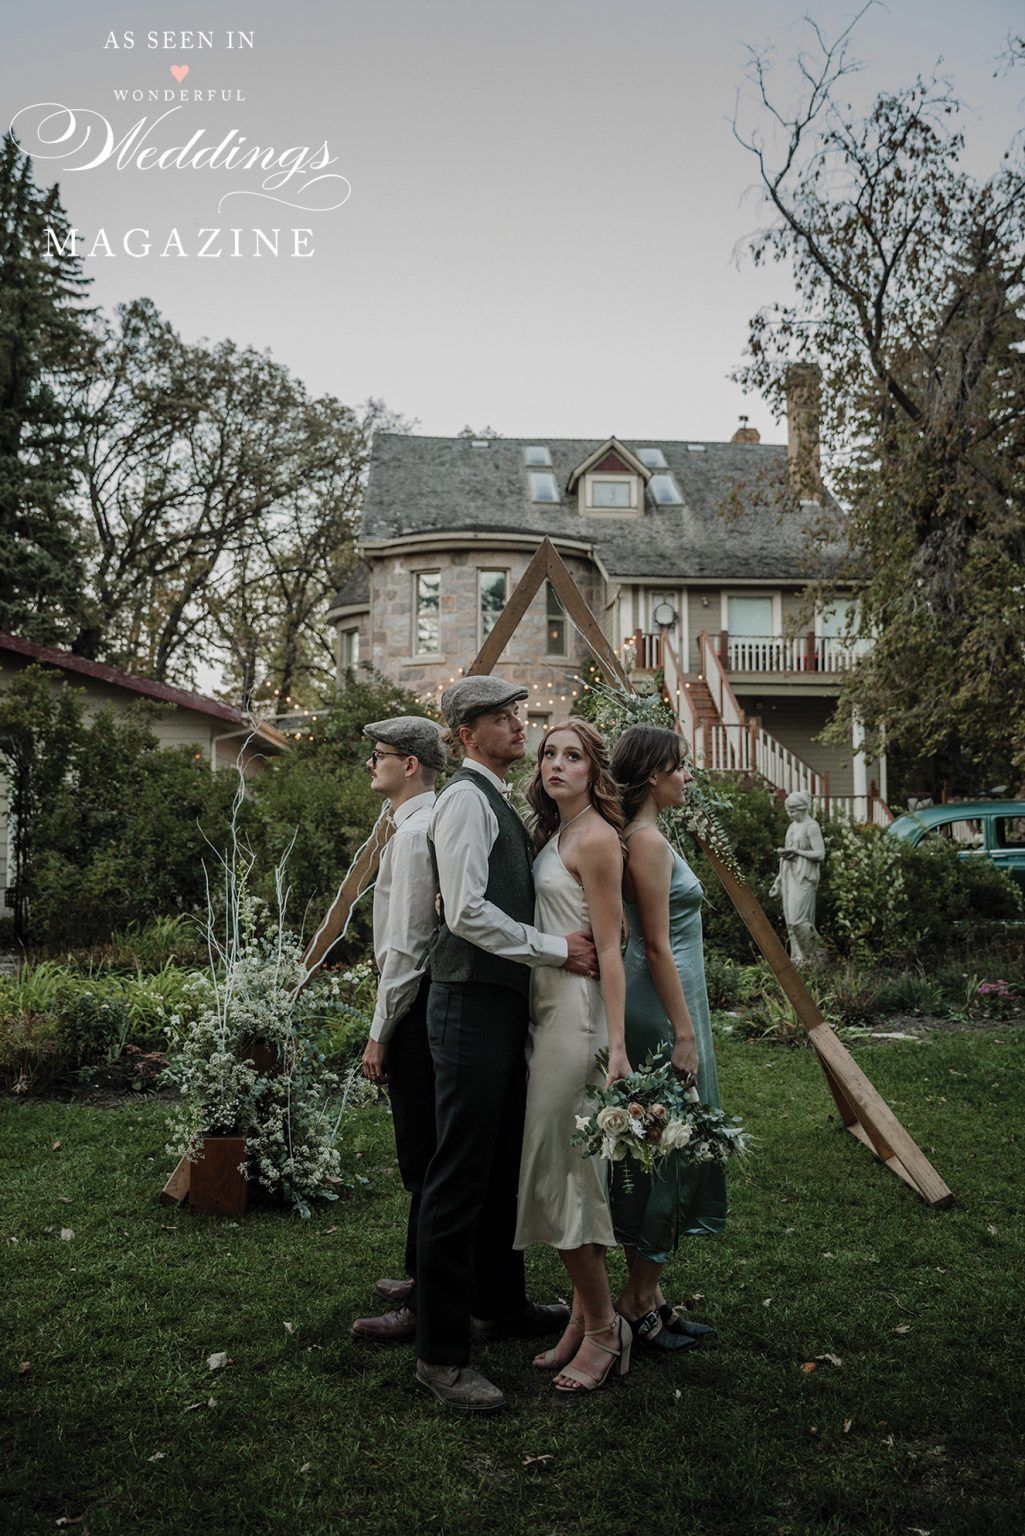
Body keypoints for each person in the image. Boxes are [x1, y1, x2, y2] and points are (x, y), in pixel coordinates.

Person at [414, 676, 596, 1413]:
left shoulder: (497, 797)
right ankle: (439, 1355)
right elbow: (464, 912)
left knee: (493, 1168)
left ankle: (499, 1304)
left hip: (498, 1005)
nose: (519, 725)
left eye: (520, 713)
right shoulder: (462, 799)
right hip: (466, 1007)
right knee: (458, 1178)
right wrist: (555, 949)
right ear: (465, 731)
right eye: (501, 717)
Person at [514, 721, 634, 1393]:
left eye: (572, 756)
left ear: (593, 771)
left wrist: (615, 1045)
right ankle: (585, 1317)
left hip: (578, 1022)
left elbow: (611, 949)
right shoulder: (554, 834)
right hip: (545, 1014)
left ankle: (601, 1331)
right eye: (549, 755)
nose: (557, 765)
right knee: (555, 1172)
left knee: (559, 1175)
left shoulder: (594, 839)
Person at [608, 724, 725, 1351]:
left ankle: (647, 1294)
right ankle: (634, 1300)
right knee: (665, 1143)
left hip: (675, 995)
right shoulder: (646, 841)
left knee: (660, 1141)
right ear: (653, 774)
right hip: (662, 1003)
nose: (688, 776)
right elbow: (654, 943)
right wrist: (683, 1032)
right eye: (680, 767)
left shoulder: (647, 835)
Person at [350, 716, 446, 1344]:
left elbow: (406, 946)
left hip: (415, 1009)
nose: (371, 765)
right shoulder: (420, 821)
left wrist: (381, 1030)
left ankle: (425, 1300)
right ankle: (420, 1275)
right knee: (428, 1152)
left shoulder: (414, 835)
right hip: (428, 1002)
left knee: (423, 1155)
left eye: (379, 755)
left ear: (410, 764)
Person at [769, 790, 826, 965]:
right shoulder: (792, 827)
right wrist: (778, 880)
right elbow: (786, 855)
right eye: (788, 811)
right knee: (790, 922)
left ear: (802, 809)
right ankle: (799, 958)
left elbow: (820, 854)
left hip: (804, 877)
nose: (790, 814)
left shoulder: (811, 826)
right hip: (789, 876)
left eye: (793, 811)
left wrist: (797, 852)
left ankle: (818, 956)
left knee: (799, 920)